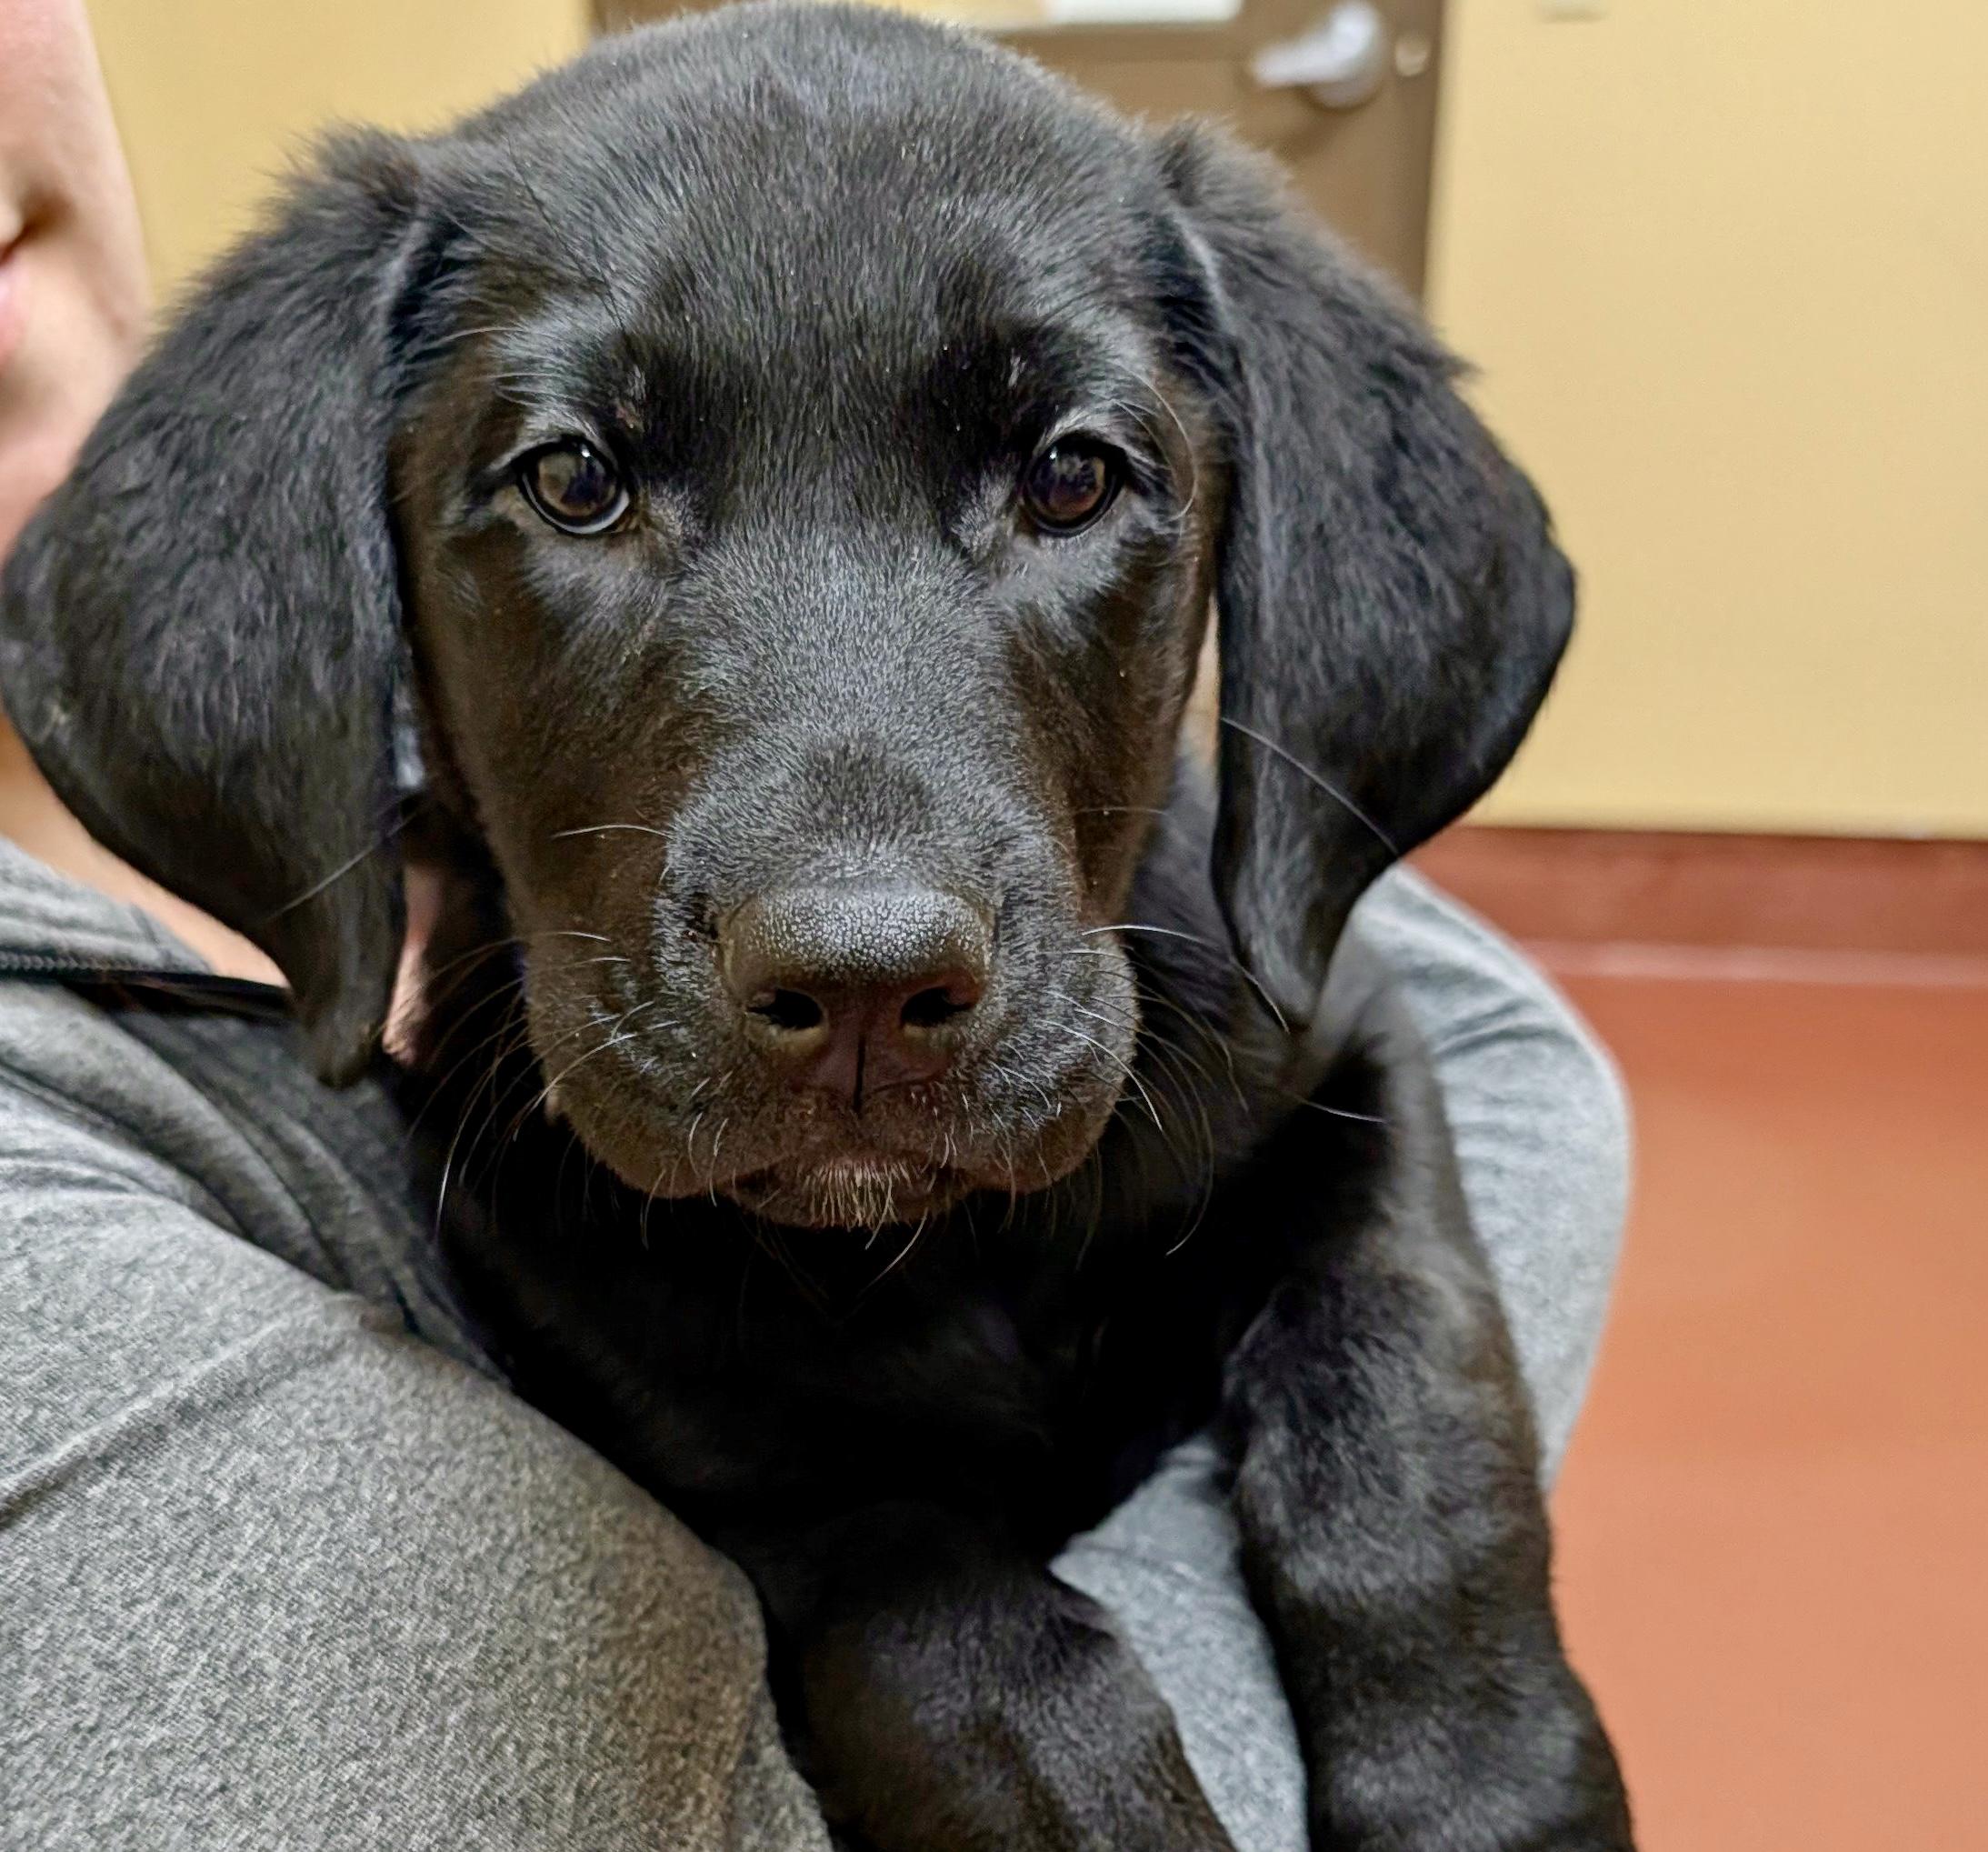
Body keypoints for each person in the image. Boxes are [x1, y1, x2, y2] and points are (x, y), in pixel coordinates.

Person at [0, 5, 1630, 1846]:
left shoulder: (1224, 1008)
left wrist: (1432, 1622)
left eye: (1068, 477)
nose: (858, 920)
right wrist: (876, 1613)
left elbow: (1405, 1063)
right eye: (577, 482)